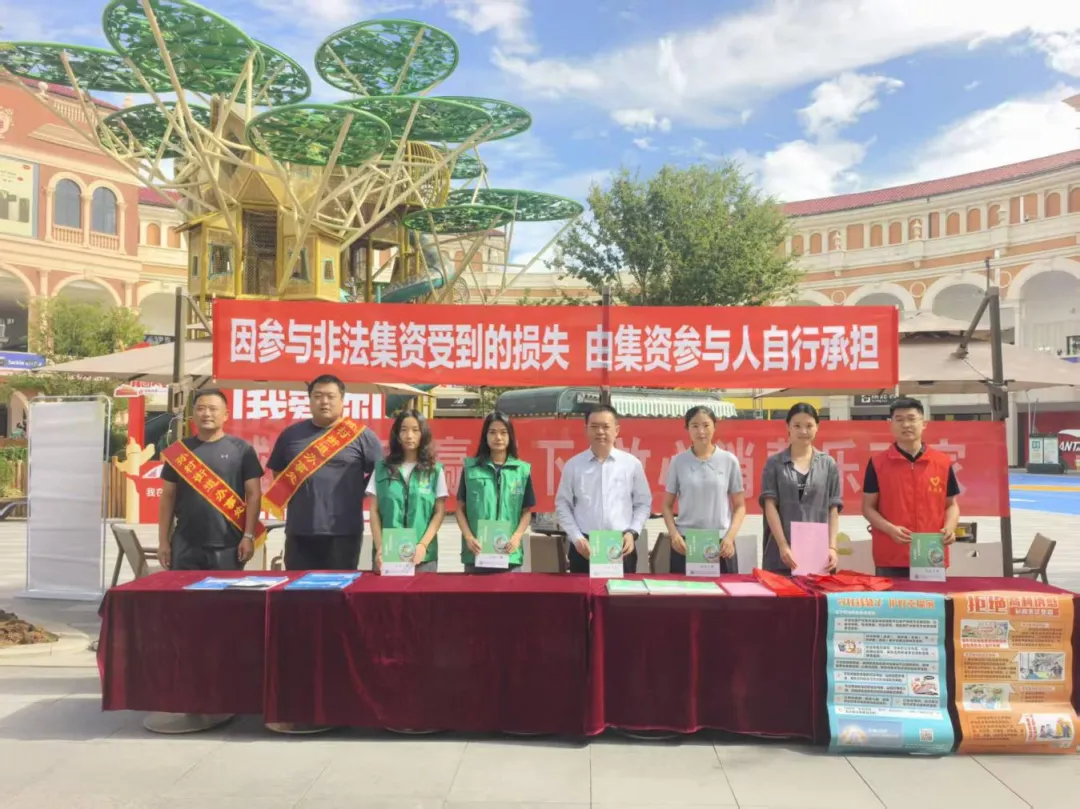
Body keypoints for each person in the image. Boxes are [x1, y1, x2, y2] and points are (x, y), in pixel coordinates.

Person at [265, 375, 382, 570]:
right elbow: (278, 471)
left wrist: (357, 492)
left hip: (344, 531)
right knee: (298, 587)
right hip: (300, 530)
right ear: (310, 400)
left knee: (340, 586)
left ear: (342, 400)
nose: (324, 401)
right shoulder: (291, 435)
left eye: (330, 396)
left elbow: (380, 473)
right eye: (318, 396)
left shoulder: (362, 436)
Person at [158, 389, 263, 571]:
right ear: (193, 415)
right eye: (200, 408)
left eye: (213, 409)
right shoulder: (179, 451)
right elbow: (168, 497)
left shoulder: (242, 450)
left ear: (225, 415)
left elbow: (254, 495)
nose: (206, 414)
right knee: (183, 590)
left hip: (229, 544)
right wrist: (163, 542)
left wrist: (249, 536)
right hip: (185, 543)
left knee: (224, 591)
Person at [861, 397, 961, 577]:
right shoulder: (877, 463)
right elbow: (868, 507)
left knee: (931, 596)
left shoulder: (942, 462)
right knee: (892, 596)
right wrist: (890, 529)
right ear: (890, 425)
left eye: (912, 418)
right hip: (891, 552)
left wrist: (949, 527)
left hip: (931, 553)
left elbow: (951, 504)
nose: (906, 424)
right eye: (899, 419)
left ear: (924, 423)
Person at [555, 404, 651, 574]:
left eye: (606, 427)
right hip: (585, 547)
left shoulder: (631, 464)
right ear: (586, 430)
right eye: (594, 427)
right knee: (582, 591)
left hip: (621, 544)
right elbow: (562, 505)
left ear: (617, 430)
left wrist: (632, 533)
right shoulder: (574, 465)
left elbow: (643, 504)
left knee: (620, 592)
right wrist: (577, 538)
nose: (600, 432)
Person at [759, 402, 844, 575]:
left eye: (809, 426)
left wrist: (832, 547)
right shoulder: (774, 464)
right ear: (788, 427)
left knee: (816, 593)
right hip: (781, 553)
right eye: (797, 425)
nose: (803, 431)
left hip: (817, 553)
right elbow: (770, 506)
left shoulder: (828, 464)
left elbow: (833, 508)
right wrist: (783, 545)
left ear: (817, 427)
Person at [661, 406, 746, 574]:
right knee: (686, 590)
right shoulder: (678, 462)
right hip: (686, 543)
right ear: (687, 428)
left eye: (706, 425)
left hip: (721, 542)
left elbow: (740, 506)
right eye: (695, 426)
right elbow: (666, 505)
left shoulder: (729, 460)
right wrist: (674, 535)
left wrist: (730, 537)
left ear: (715, 426)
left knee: (723, 590)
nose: (701, 431)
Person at [367, 409, 447, 574]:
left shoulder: (434, 471)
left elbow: (439, 512)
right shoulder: (382, 468)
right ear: (397, 435)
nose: (409, 436)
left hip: (422, 557)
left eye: (415, 430)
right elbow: (374, 511)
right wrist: (380, 546)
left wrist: (423, 545)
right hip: (387, 555)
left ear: (423, 434)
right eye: (404, 430)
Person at [456, 411, 537, 573]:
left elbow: (526, 512)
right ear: (485, 436)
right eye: (492, 432)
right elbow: (459, 509)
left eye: (503, 432)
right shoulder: (471, 469)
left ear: (510, 436)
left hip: (509, 554)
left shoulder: (521, 470)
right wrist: (469, 538)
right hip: (477, 552)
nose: (498, 437)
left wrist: (517, 537)